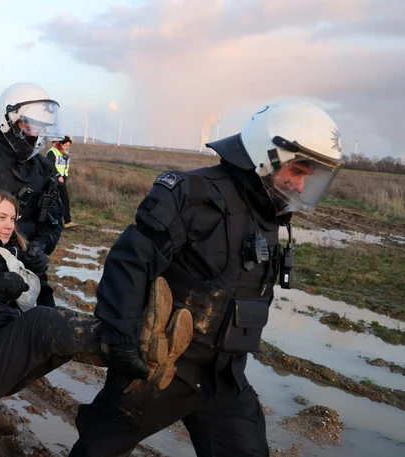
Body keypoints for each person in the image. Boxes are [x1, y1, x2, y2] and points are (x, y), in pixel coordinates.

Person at [68, 100, 344, 457]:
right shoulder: (192, 193)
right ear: (268, 155)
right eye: (298, 172)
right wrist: (121, 343)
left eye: (309, 176)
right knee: (97, 448)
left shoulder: (269, 215)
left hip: (225, 379)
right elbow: (129, 263)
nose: (302, 186)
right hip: (163, 369)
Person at [0, 188, 193, 457]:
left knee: (54, 332)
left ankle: (145, 360)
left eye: (13, 218)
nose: (9, 224)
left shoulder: (10, 252)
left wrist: (40, 279)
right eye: (1, 217)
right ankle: (138, 341)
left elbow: (44, 309)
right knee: (41, 322)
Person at [0, 82, 65, 308]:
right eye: (30, 126)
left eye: (42, 127)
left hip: (31, 274)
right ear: (9, 122)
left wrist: (39, 247)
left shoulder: (44, 169)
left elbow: (54, 220)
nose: (36, 134)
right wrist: (7, 253)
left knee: (46, 334)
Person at [46, 136, 77, 228]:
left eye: (69, 145)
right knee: (60, 199)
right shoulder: (52, 152)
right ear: (61, 144)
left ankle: (66, 221)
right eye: (66, 145)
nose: (68, 147)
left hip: (63, 179)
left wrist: (64, 176)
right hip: (55, 179)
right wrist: (58, 176)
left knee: (63, 199)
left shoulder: (66, 153)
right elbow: (50, 166)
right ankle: (66, 221)